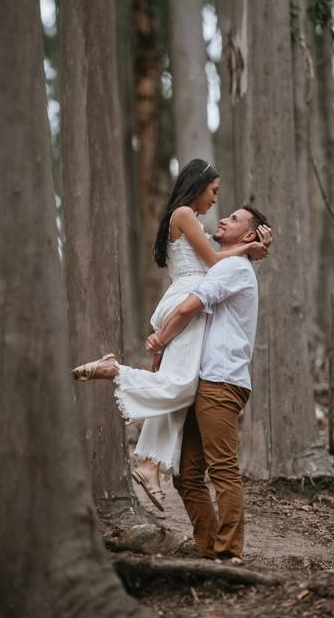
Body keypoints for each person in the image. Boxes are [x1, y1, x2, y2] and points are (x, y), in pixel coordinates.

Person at [71, 159, 271, 512]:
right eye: (214, 191)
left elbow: (214, 258)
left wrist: (252, 248)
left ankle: (150, 465)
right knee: (180, 386)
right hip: (189, 298)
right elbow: (213, 260)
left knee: (181, 386)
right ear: (198, 184)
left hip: (189, 297)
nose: (215, 201)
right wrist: (250, 250)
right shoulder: (184, 215)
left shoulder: (187, 220)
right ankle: (116, 370)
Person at [144, 204, 269, 563]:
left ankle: (230, 552)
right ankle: (212, 546)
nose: (224, 218)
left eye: (234, 219)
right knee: (187, 476)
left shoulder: (231, 267)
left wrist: (160, 340)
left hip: (221, 380)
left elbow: (188, 306)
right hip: (206, 380)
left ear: (248, 234)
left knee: (222, 468)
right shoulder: (231, 262)